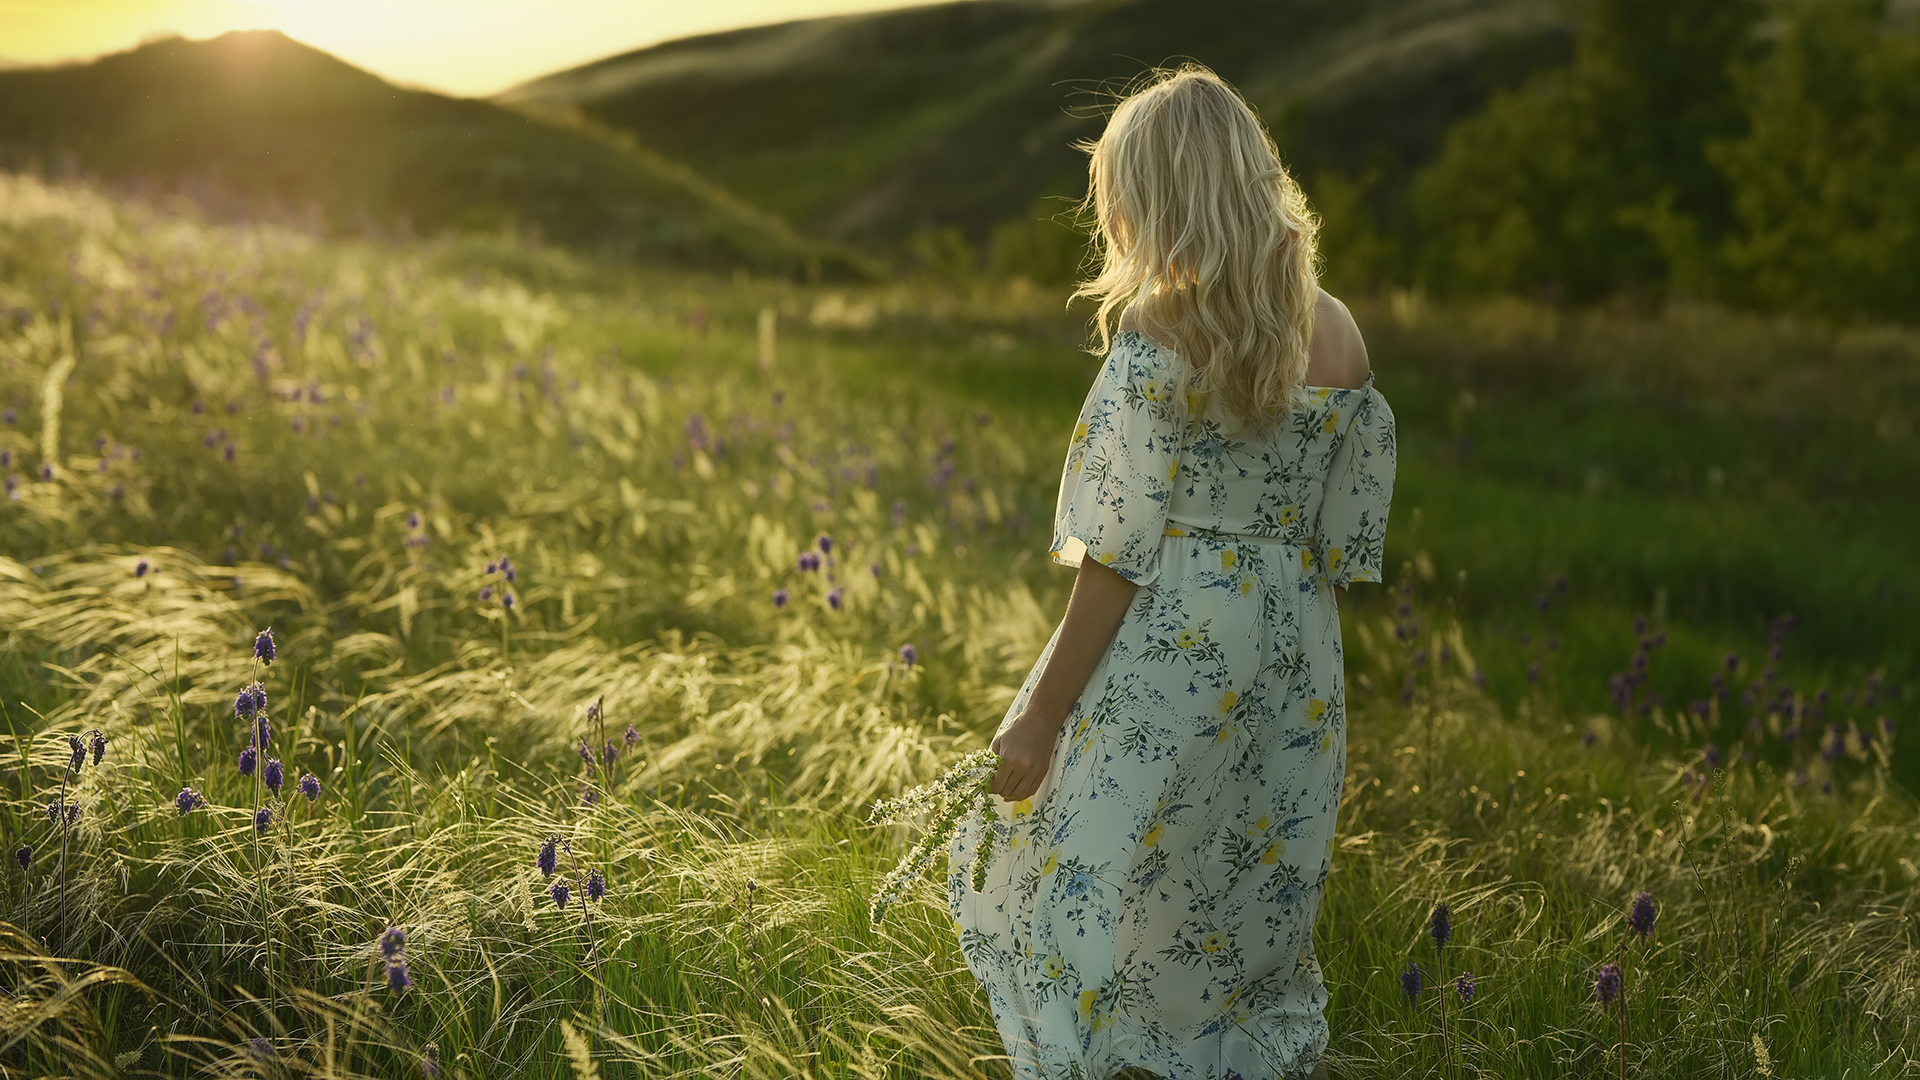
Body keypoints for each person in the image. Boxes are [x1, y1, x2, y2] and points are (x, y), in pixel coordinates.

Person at [948, 65, 1395, 1080]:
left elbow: (1117, 555)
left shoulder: (1160, 330)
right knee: (1237, 888)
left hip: (1174, 642)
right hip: (1294, 653)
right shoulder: (1341, 332)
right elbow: (1341, 538)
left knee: (1073, 868)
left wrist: (1043, 716)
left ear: (1160, 196)